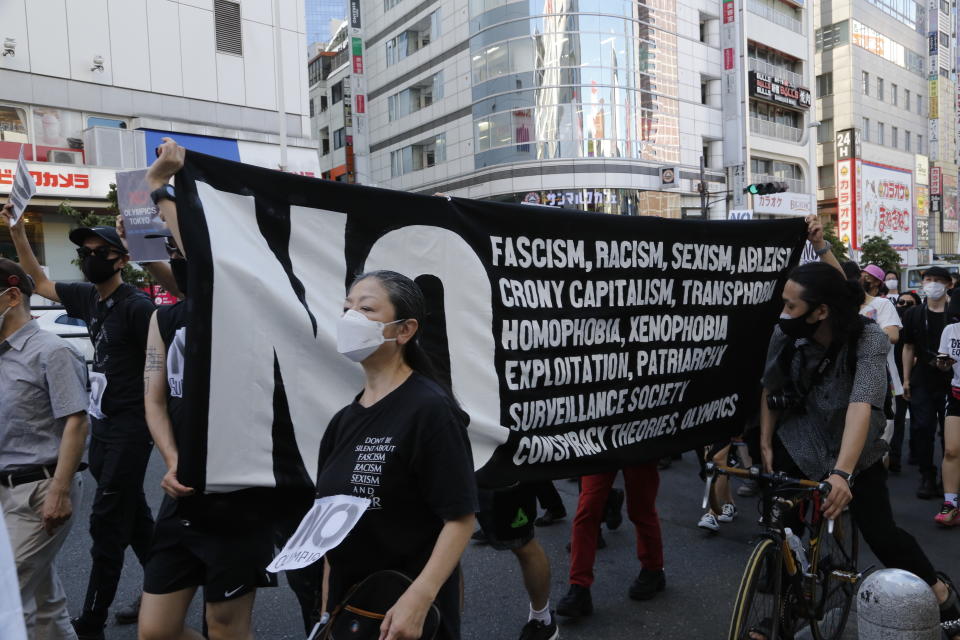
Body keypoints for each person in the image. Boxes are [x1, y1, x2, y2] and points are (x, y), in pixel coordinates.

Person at [758, 261, 960, 639]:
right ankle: (785, 614)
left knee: (881, 533)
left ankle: (940, 590)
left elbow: (861, 405)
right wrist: (766, 444)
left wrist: (842, 473)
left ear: (821, 311)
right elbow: (770, 388)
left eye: (791, 307)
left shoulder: (869, 338)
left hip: (856, 445)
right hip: (799, 438)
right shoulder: (784, 334)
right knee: (782, 533)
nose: (783, 314)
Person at [3, 201, 158, 640]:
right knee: (135, 516)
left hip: (133, 422)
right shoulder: (89, 296)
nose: (90, 258)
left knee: (107, 521)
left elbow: (161, 368)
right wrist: (17, 233)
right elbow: (41, 281)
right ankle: (163, 585)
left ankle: (91, 622)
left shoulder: (137, 306)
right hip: (103, 422)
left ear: (121, 259)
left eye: (99, 251)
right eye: (84, 251)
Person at [316, 271, 477, 640]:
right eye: (347, 307)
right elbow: (328, 525)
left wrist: (419, 598)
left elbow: (460, 517)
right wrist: (327, 614)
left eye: (366, 308)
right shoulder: (342, 421)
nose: (350, 318)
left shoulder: (430, 410)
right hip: (352, 611)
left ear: (404, 331)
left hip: (405, 617)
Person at [0, 258, 89, 640]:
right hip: (6, 491)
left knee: (7, 594)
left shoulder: (52, 351)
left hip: (41, 491)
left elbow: (77, 421)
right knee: (45, 605)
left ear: (12, 295)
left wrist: (59, 491)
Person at [556, 463, 665, 619]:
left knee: (641, 509)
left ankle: (653, 569)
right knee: (587, 509)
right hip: (600, 445)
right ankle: (579, 587)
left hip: (639, 446)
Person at [902, 266, 953, 499]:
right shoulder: (913, 314)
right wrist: (905, 379)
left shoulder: (955, 312)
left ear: (949, 284)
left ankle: (949, 477)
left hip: (952, 379)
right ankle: (927, 475)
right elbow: (908, 346)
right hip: (922, 376)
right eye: (928, 280)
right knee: (922, 428)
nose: (932, 284)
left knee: (949, 432)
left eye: (938, 280)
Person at [934, 293, 960, 526]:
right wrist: (942, 364)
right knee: (951, 450)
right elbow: (944, 364)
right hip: (956, 395)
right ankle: (950, 503)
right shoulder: (950, 331)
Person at [890, 291, 922, 473]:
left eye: (909, 304)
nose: (903, 306)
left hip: (919, 377)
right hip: (897, 378)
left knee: (919, 420)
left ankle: (917, 453)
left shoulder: (921, 324)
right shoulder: (892, 325)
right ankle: (894, 458)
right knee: (898, 419)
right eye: (901, 303)